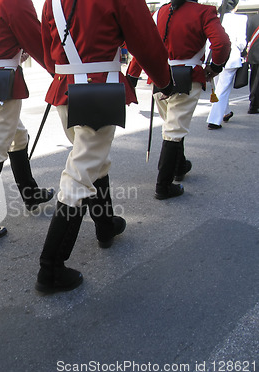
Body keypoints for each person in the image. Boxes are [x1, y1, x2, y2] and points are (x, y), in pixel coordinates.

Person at [35, 0, 174, 293]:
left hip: (65, 87)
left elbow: (48, 49)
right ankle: (51, 268)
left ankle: (105, 224)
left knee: (93, 162)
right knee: (80, 174)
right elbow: (145, 41)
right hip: (98, 89)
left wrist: (67, 73)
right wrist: (163, 79)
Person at [0, 0, 54, 245]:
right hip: (6, 85)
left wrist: (13, 50)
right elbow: (36, 41)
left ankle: (31, 194)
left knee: (18, 137)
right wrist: (58, 73)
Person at [128, 0, 231, 200]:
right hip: (187, 76)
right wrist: (215, 67)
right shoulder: (203, 11)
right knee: (174, 128)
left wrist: (132, 76)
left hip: (159, 77)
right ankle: (163, 185)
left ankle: (179, 166)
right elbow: (222, 43)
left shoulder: (159, 12)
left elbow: (142, 46)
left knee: (173, 124)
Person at [207, 0, 247, 129]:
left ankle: (226, 112)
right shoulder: (240, 19)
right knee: (222, 89)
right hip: (231, 56)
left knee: (219, 87)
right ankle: (214, 120)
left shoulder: (215, 18)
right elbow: (241, 42)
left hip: (213, 56)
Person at [246, 10, 259, 114]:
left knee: (254, 80)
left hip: (254, 53)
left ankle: (253, 104)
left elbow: (247, 36)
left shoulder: (251, 19)